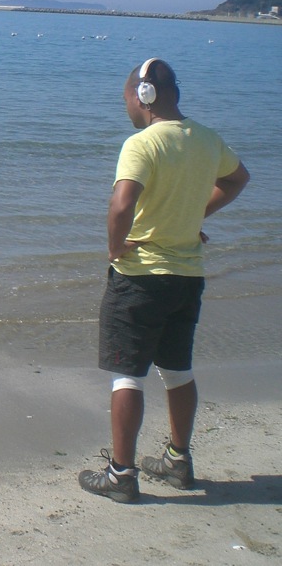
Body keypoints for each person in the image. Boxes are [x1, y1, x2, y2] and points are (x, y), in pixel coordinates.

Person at [78, 58, 249, 503]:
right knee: (177, 371)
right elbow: (237, 179)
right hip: (187, 277)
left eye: (127, 100)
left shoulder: (142, 143)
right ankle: (178, 459)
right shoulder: (206, 139)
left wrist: (115, 247)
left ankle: (121, 474)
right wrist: (195, 216)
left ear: (144, 95)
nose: (127, 109)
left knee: (127, 376)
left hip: (140, 279)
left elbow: (121, 206)